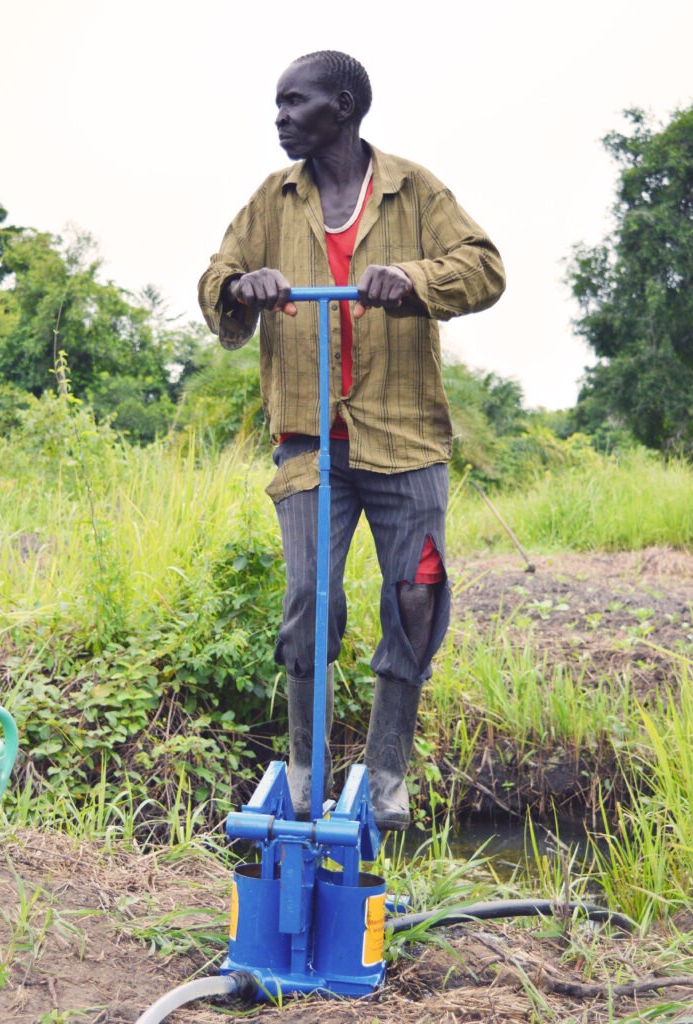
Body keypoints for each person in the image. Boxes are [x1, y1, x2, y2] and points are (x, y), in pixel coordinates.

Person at [198, 50, 505, 831]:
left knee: (414, 599)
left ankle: (388, 773)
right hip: (310, 442)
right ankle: (304, 775)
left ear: (342, 106)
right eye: (276, 105)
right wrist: (244, 287)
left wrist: (413, 280)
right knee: (310, 598)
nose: (279, 118)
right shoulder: (273, 198)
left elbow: (483, 268)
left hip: (404, 441)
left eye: (292, 103)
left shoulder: (413, 189)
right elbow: (216, 282)